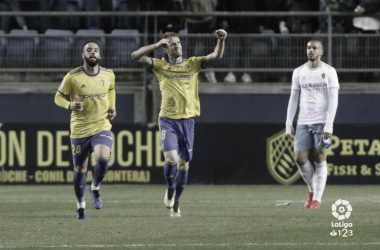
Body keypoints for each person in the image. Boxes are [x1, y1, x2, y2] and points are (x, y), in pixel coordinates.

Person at [131, 29, 227, 217]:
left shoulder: (193, 64)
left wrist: (221, 40)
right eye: (173, 44)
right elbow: (135, 55)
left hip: (188, 121)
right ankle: (170, 189)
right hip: (168, 120)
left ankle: (176, 203)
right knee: (171, 159)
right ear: (166, 48)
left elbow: (216, 56)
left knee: (183, 165)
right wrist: (156, 45)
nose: (178, 46)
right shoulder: (159, 65)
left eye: (179, 43)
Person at [54, 41, 117, 220]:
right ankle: (81, 205)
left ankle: (95, 187)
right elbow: (58, 97)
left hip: (101, 125)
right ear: (83, 55)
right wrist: (69, 105)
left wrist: (112, 107)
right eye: (89, 50)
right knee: (80, 168)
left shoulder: (109, 74)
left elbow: (111, 90)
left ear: (100, 55)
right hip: (80, 130)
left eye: (96, 50)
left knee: (104, 159)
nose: (93, 53)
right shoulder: (72, 77)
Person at [285, 39, 339, 209]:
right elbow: (293, 98)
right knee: (300, 159)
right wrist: (288, 121)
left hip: (322, 121)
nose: (311, 50)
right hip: (303, 121)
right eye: (308, 47)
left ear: (321, 52)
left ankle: (317, 199)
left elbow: (334, 100)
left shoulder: (329, 71)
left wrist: (329, 124)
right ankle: (312, 190)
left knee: (320, 157)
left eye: (314, 48)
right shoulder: (298, 72)